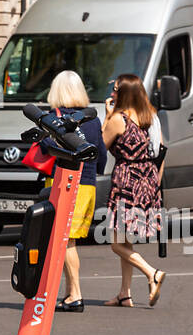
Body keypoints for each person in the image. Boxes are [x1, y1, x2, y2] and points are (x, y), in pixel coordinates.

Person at [37, 72, 107, 313]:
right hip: (87, 184)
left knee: (63, 240)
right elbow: (101, 155)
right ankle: (69, 293)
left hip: (61, 182)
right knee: (69, 239)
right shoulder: (92, 119)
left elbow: (50, 146)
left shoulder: (52, 118)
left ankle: (74, 293)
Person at [102, 73, 165, 307]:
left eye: (116, 89)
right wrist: (156, 182)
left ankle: (152, 273)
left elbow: (100, 146)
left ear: (125, 93)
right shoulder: (150, 116)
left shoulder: (120, 119)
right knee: (125, 240)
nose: (112, 93)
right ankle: (125, 293)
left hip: (126, 181)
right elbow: (161, 151)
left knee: (116, 244)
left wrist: (107, 116)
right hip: (147, 179)